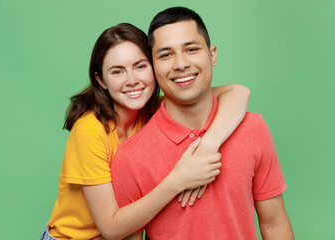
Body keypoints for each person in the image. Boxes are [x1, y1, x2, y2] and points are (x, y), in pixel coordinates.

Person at [40, 23, 250, 240]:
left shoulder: (151, 111)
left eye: (140, 66)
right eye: (117, 71)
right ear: (100, 80)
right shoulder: (89, 131)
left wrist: (209, 146)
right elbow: (111, 228)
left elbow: (238, 92)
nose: (132, 81)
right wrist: (179, 180)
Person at [111, 7, 294, 240]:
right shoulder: (130, 157)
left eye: (191, 49)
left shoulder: (253, 129)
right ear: (153, 67)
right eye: (165, 55)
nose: (180, 64)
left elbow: (274, 224)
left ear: (212, 54)